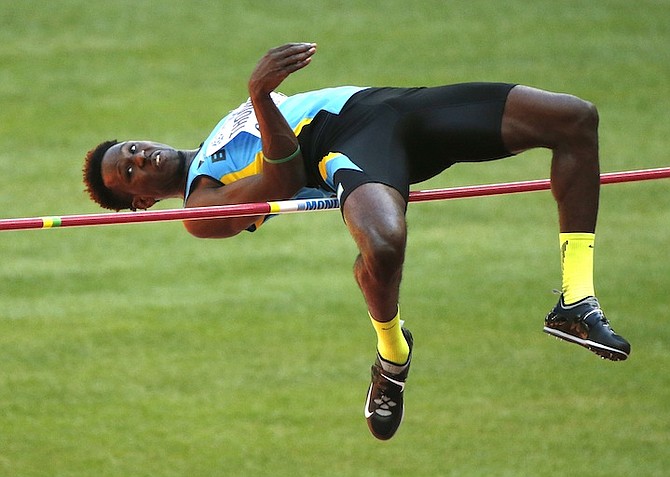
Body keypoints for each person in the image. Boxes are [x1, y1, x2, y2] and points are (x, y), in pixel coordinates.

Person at [83, 43, 630, 441]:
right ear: (141, 203)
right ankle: (392, 355)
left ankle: (575, 302)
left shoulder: (213, 140)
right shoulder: (201, 207)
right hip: (342, 147)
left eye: (131, 149)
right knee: (385, 244)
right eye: (128, 174)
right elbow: (283, 180)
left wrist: (261, 102)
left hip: (390, 109)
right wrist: (260, 95)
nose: (139, 159)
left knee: (574, 119)